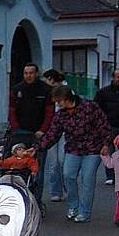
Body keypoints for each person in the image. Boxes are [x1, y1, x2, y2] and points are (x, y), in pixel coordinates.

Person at [39, 85, 111, 223]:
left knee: (87, 179)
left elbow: (104, 125)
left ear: (66, 98)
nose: (57, 104)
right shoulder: (61, 114)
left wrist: (106, 144)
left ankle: (85, 212)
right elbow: (53, 134)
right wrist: (38, 148)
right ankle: (73, 207)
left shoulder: (90, 107)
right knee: (68, 175)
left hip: (93, 149)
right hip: (73, 149)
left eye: (59, 101)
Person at [7, 63, 54, 204]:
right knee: (19, 168)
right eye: (26, 73)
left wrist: (43, 130)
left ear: (36, 74)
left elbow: (49, 112)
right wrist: (16, 129)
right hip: (20, 134)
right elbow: (12, 111)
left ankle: (36, 202)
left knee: (37, 170)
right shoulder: (17, 89)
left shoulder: (46, 90)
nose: (28, 75)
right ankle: (21, 201)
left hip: (39, 135)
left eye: (31, 73)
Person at [43, 70, 67, 202]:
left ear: (51, 79)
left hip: (63, 131)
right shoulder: (47, 92)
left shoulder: (66, 90)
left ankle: (67, 188)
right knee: (53, 163)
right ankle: (56, 191)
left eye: (46, 79)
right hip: (51, 130)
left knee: (62, 161)